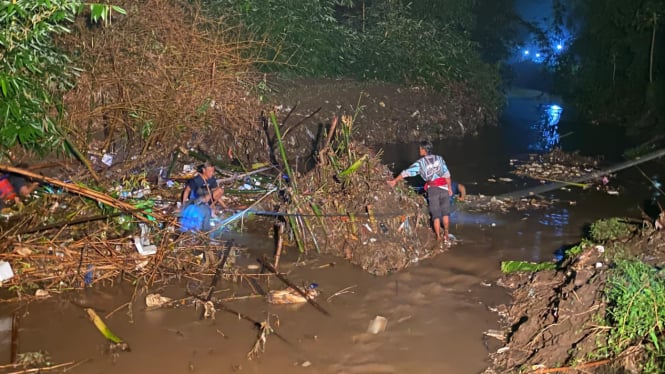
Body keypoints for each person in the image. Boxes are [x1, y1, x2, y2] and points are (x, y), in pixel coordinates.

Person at [388, 140, 453, 245]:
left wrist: (395, 180)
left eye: (420, 149)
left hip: (433, 189)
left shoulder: (421, 163)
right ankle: (446, 234)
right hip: (444, 187)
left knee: (436, 215)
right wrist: (449, 188)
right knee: (445, 213)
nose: (419, 150)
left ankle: (438, 237)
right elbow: (447, 175)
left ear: (424, 150)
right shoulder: (440, 159)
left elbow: (407, 172)